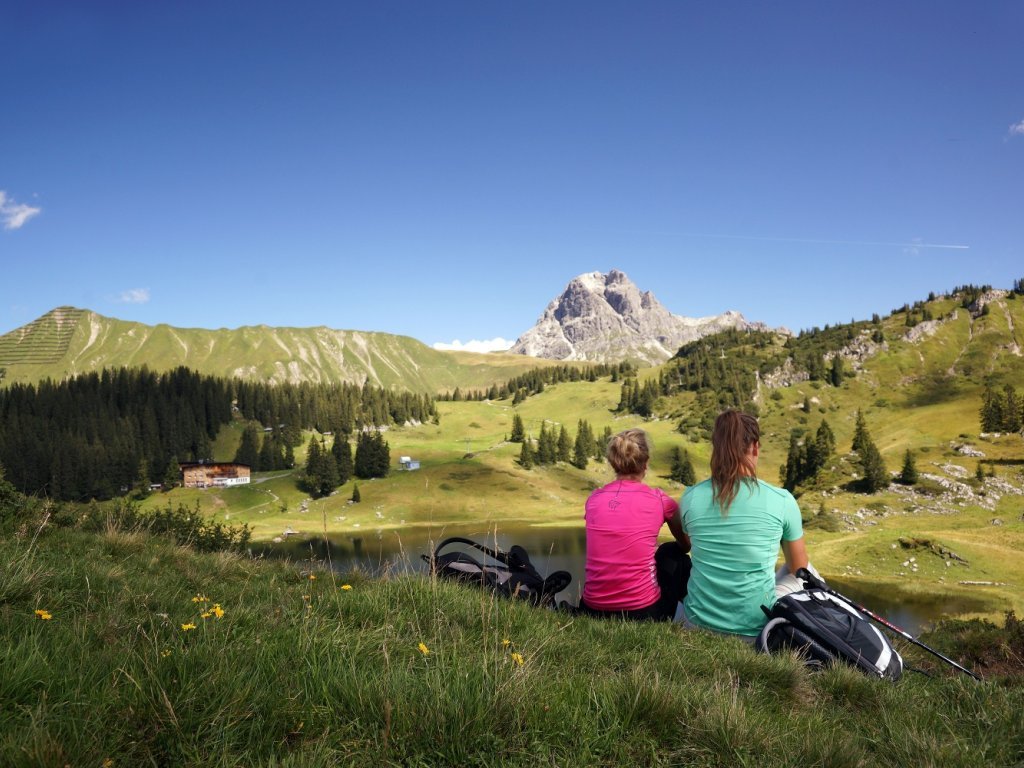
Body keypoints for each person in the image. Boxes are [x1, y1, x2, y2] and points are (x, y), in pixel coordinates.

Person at [680, 410, 816, 640]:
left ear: (716, 447)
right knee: (808, 570)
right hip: (755, 632)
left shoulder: (691, 497)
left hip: (696, 624)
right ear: (755, 447)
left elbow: (692, 544)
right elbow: (798, 569)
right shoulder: (781, 500)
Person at [578, 428, 691, 621]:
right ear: (646, 463)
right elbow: (686, 545)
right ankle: (696, 620)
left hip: (591, 610)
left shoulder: (594, 499)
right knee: (672, 553)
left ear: (614, 463)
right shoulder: (660, 500)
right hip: (643, 613)